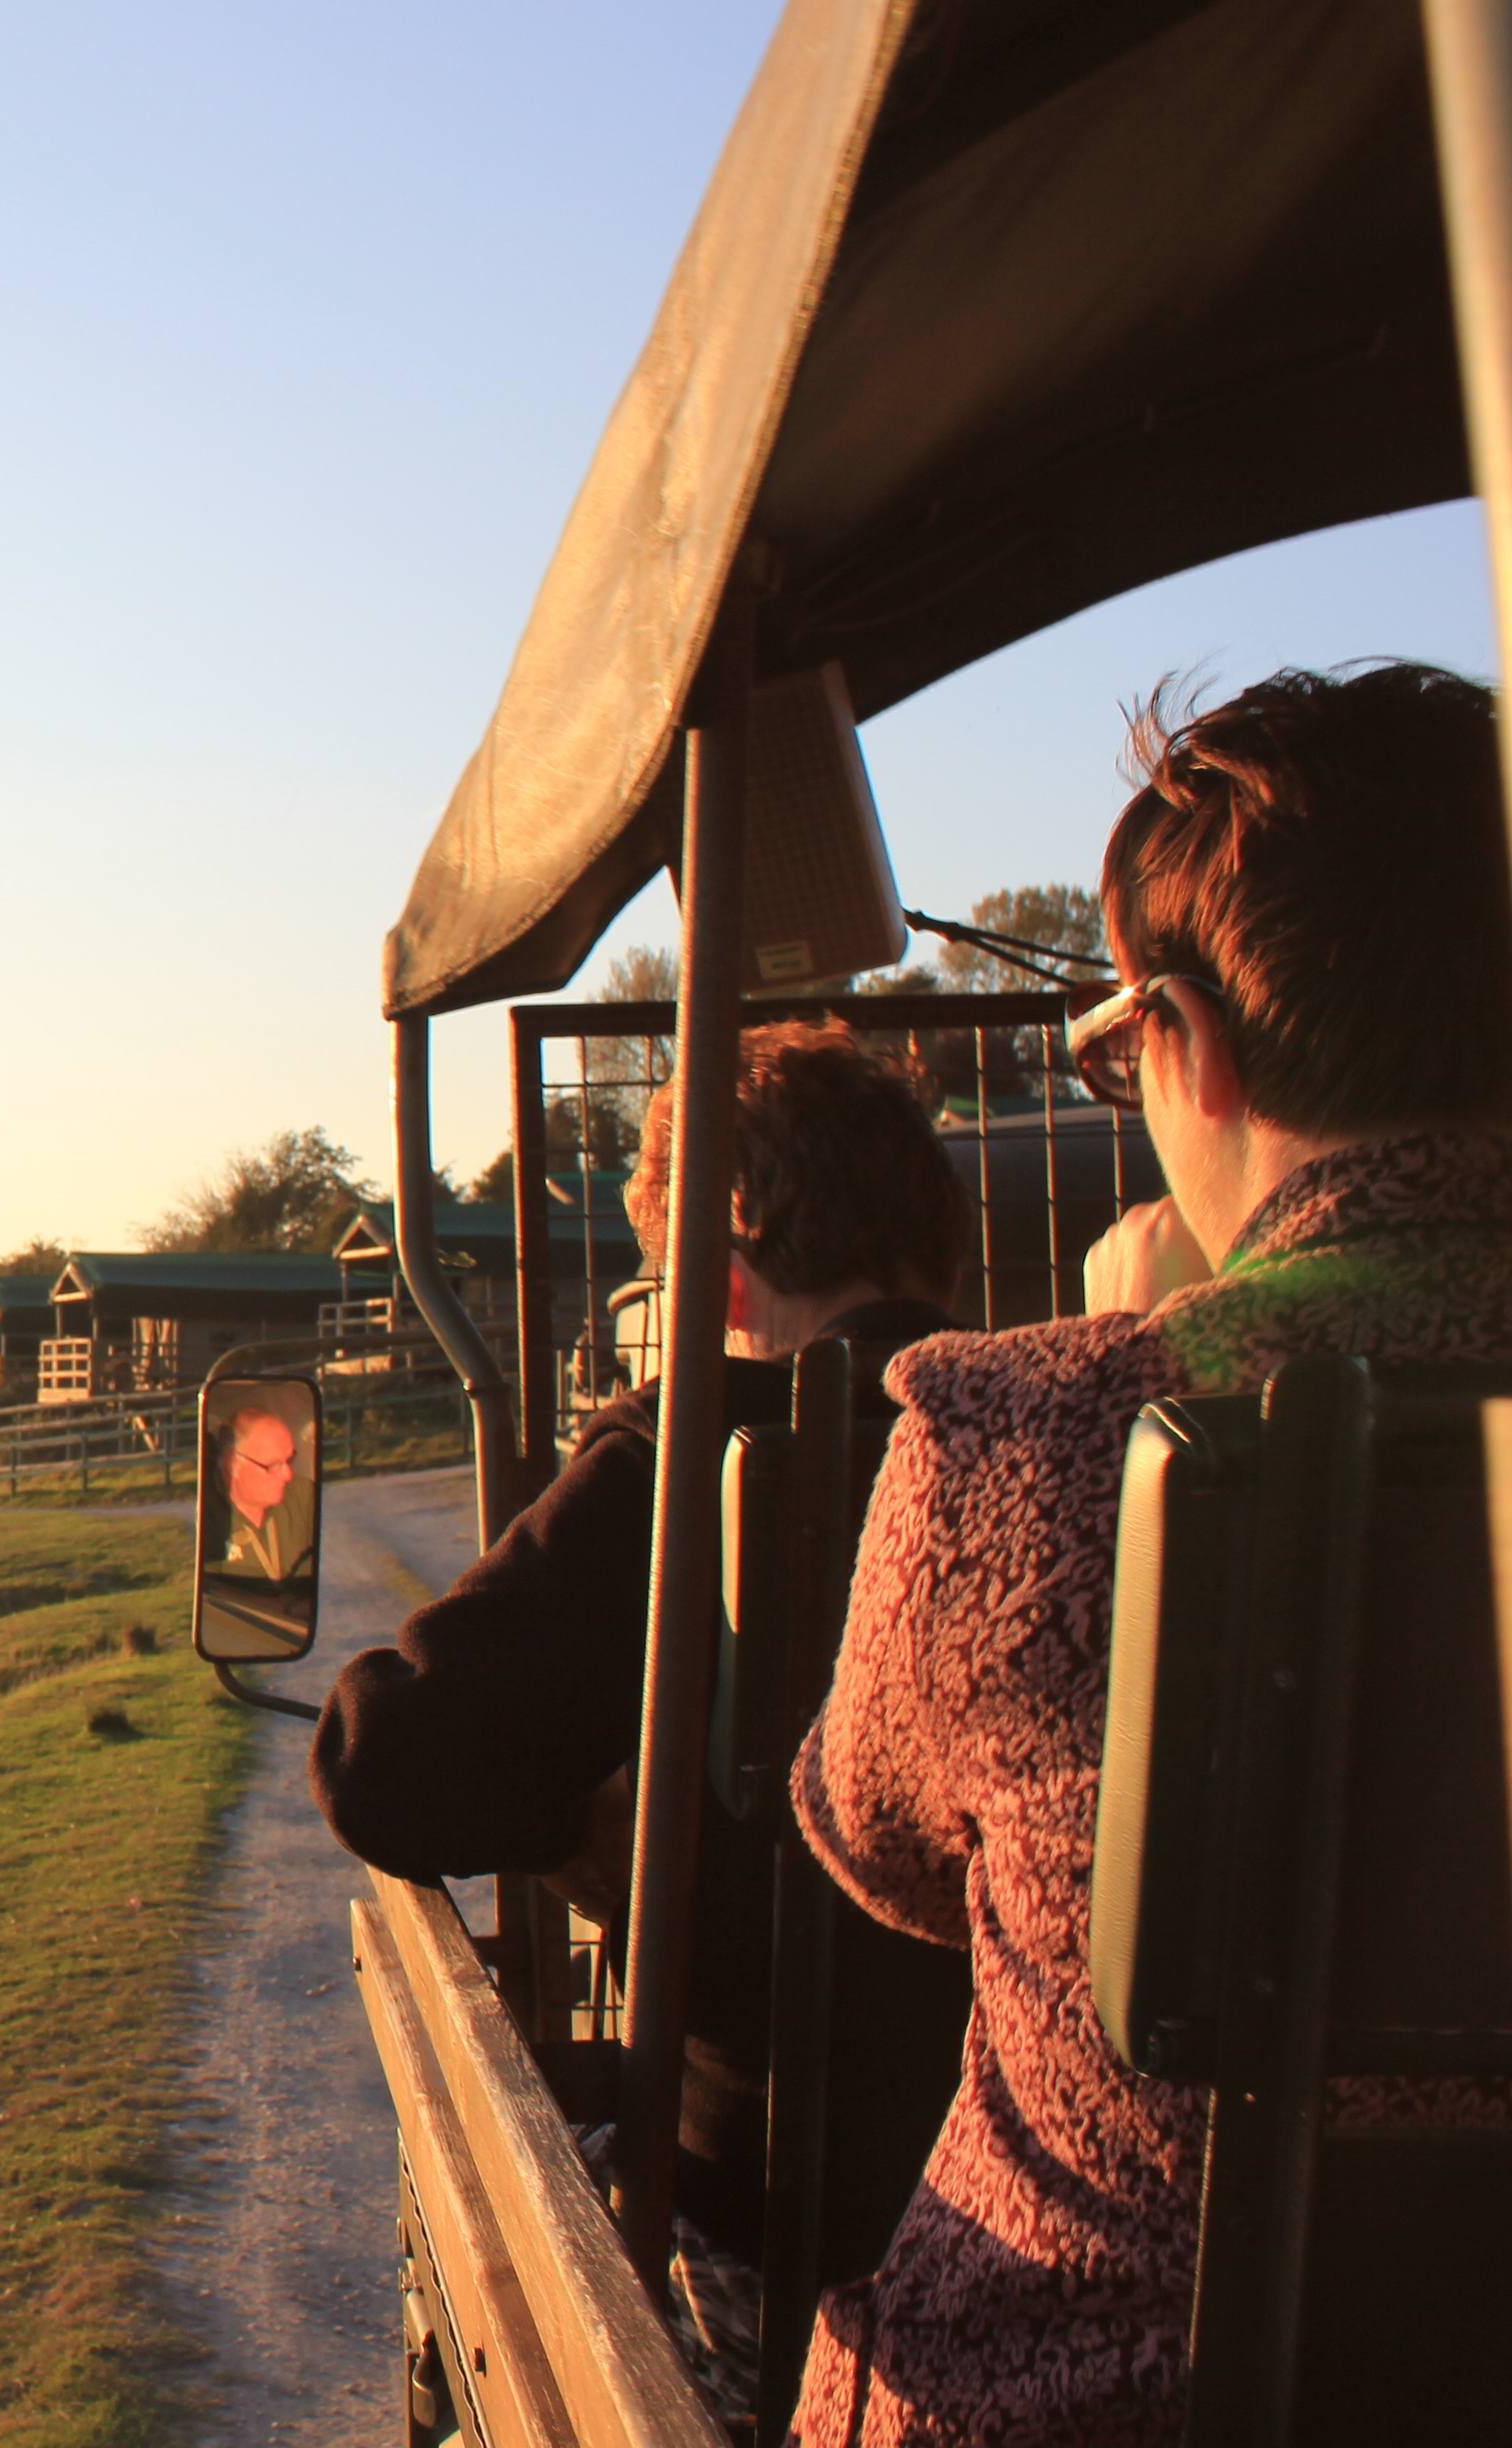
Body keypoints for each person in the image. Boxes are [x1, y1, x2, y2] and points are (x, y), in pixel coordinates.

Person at [791, 661, 1512, 2447]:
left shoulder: (1027, 1432)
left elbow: (872, 1842)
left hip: (1087, 2393)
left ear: (1180, 1038)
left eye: (1117, 1053)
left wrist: (1140, 1335)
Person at [310, 1022, 977, 2403]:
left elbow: (384, 1760)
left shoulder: (693, 1450)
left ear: (719, 1272)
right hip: (1060, 2211)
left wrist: (592, 1834)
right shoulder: (1053, 1430)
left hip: (781, 2221)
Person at [217, 1401, 308, 1575]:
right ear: (233, 1465)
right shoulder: (212, 1525)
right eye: (273, 1465)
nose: (288, 1475)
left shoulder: (302, 1497)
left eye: (289, 1460)